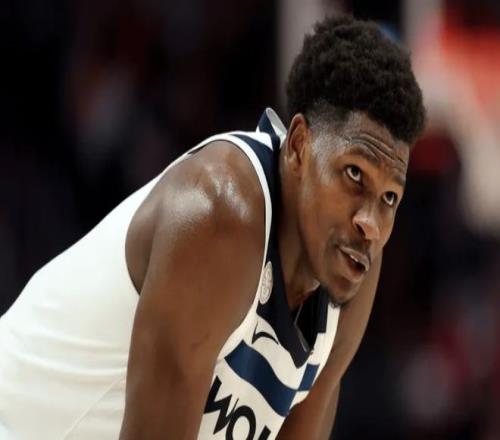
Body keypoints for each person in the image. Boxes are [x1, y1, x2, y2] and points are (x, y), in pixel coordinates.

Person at [0, 15, 425, 440]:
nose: (370, 222)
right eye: (354, 174)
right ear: (298, 145)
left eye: (389, 197)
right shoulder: (220, 215)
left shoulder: (350, 265)